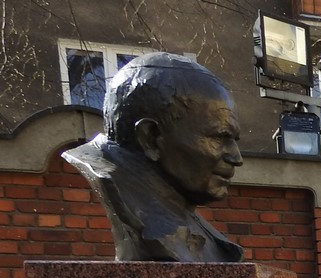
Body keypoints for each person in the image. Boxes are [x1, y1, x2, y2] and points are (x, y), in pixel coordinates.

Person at [62, 51, 244, 263]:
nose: (236, 158)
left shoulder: (199, 228)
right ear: (151, 137)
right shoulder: (145, 217)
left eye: (234, 140)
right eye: (220, 137)